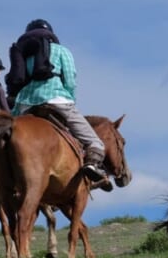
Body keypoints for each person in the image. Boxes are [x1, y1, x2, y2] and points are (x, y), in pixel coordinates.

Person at [7, 19, 112, 191]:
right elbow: (70, 80)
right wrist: (70, 100)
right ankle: (92, 164)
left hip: (24, 105)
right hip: (57, 101)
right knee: (94, 141)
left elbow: (15, 82)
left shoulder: (24, 54)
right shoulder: (62, 51)